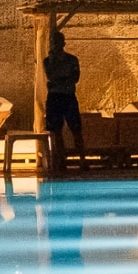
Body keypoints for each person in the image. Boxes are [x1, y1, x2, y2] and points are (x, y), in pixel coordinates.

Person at [42, 31, 84, 171]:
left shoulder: (72, 60)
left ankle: (82, 159)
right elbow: (51, 76)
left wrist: (60, 81)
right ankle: (61, 161)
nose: (55, 46)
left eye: (57, 42)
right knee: (56, 131)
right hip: (55, 97)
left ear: (63, 44)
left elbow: (74, 78)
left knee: (76, 129)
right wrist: (63, 79)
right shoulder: (48, 61)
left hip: (67, 96)